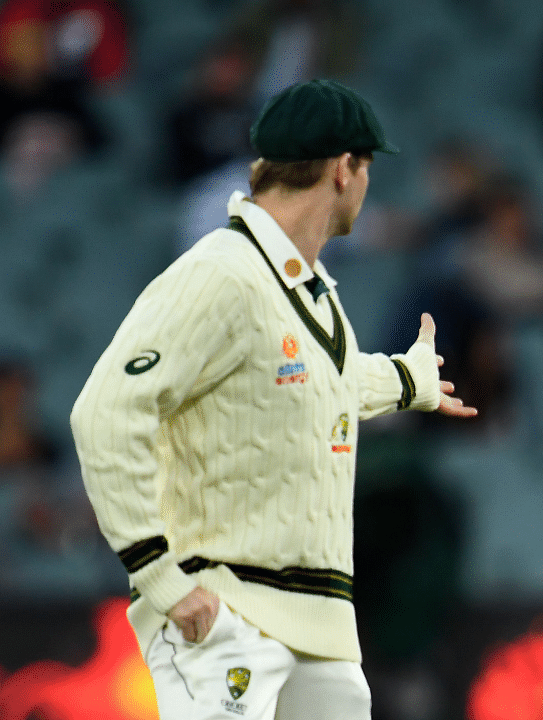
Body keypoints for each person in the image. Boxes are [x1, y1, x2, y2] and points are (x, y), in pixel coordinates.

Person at [69, 79, 477, 720]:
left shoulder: (301, 284)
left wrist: (406, 382)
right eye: (365, 167)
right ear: (343, 169)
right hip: (232, 607)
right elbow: (103, 413)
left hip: (312, 614)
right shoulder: (221, 275)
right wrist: (158, 574)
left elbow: (309, 389)